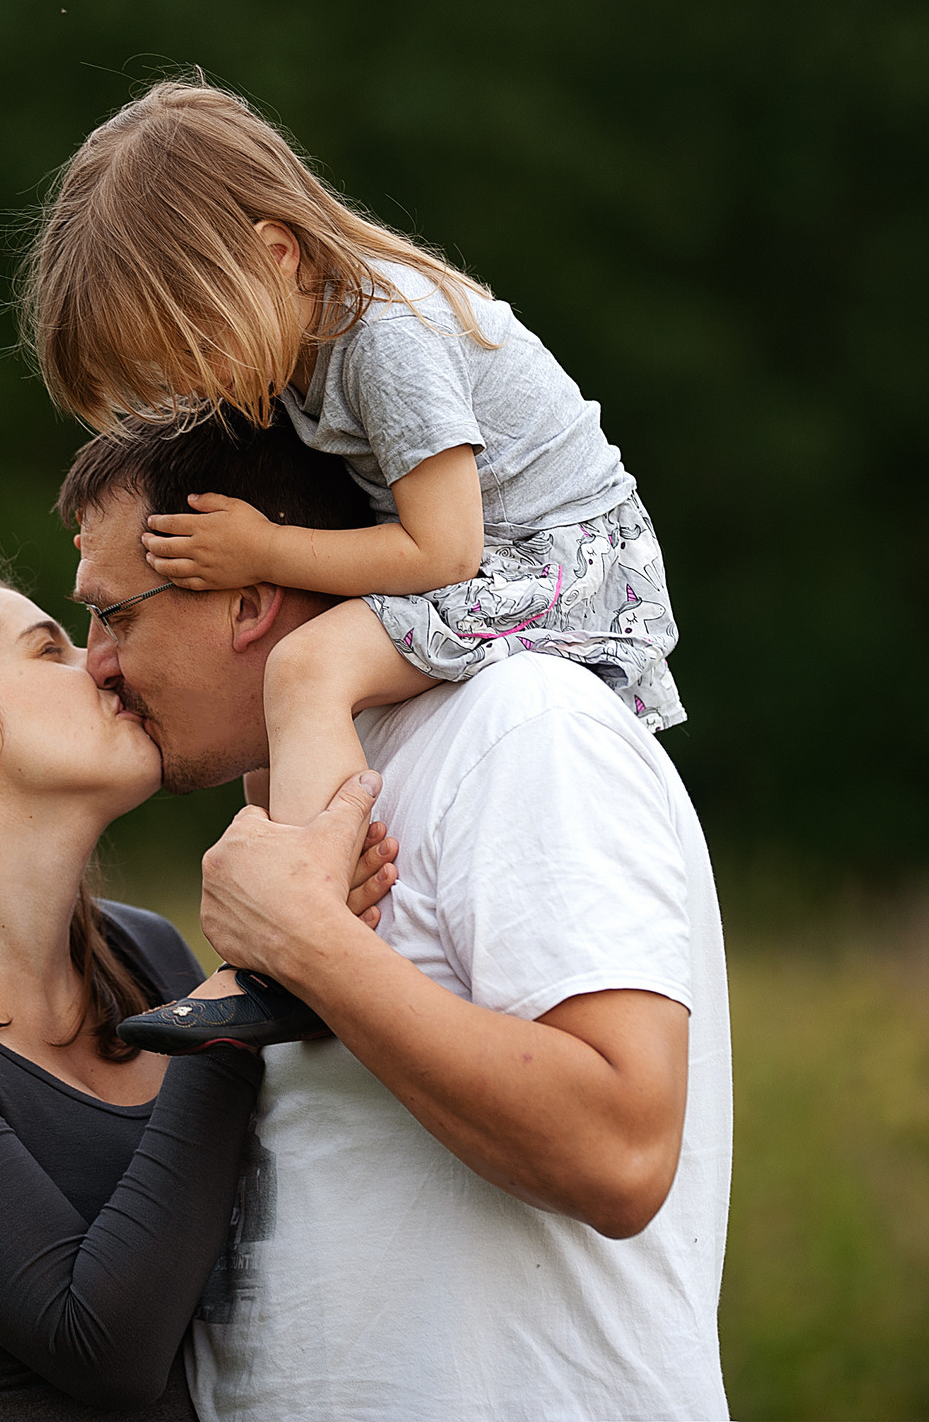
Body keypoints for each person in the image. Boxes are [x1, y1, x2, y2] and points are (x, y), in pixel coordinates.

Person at [61, 417, 733, 1422]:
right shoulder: (329, 772)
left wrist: (307, 945)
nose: (96, 665)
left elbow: (621, 1152)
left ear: (247, 599)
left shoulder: (522, 725)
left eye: (115, 617)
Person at [21, 77, 685, 1052]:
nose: (196, 389)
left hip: (565, 564)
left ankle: (303, 943)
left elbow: (445, 550)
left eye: (194, 350)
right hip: (498, 558)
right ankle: (272, 945)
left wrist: (261, 549)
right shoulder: (297, 339)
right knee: (270, 715)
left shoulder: (384, 338)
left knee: (305, 666)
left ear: (275, 254)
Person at [0, 556, 398, 1419]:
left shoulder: (142, 955)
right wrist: (243, 992)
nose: (103, 664)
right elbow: (104, 1348)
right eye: (49, 649)